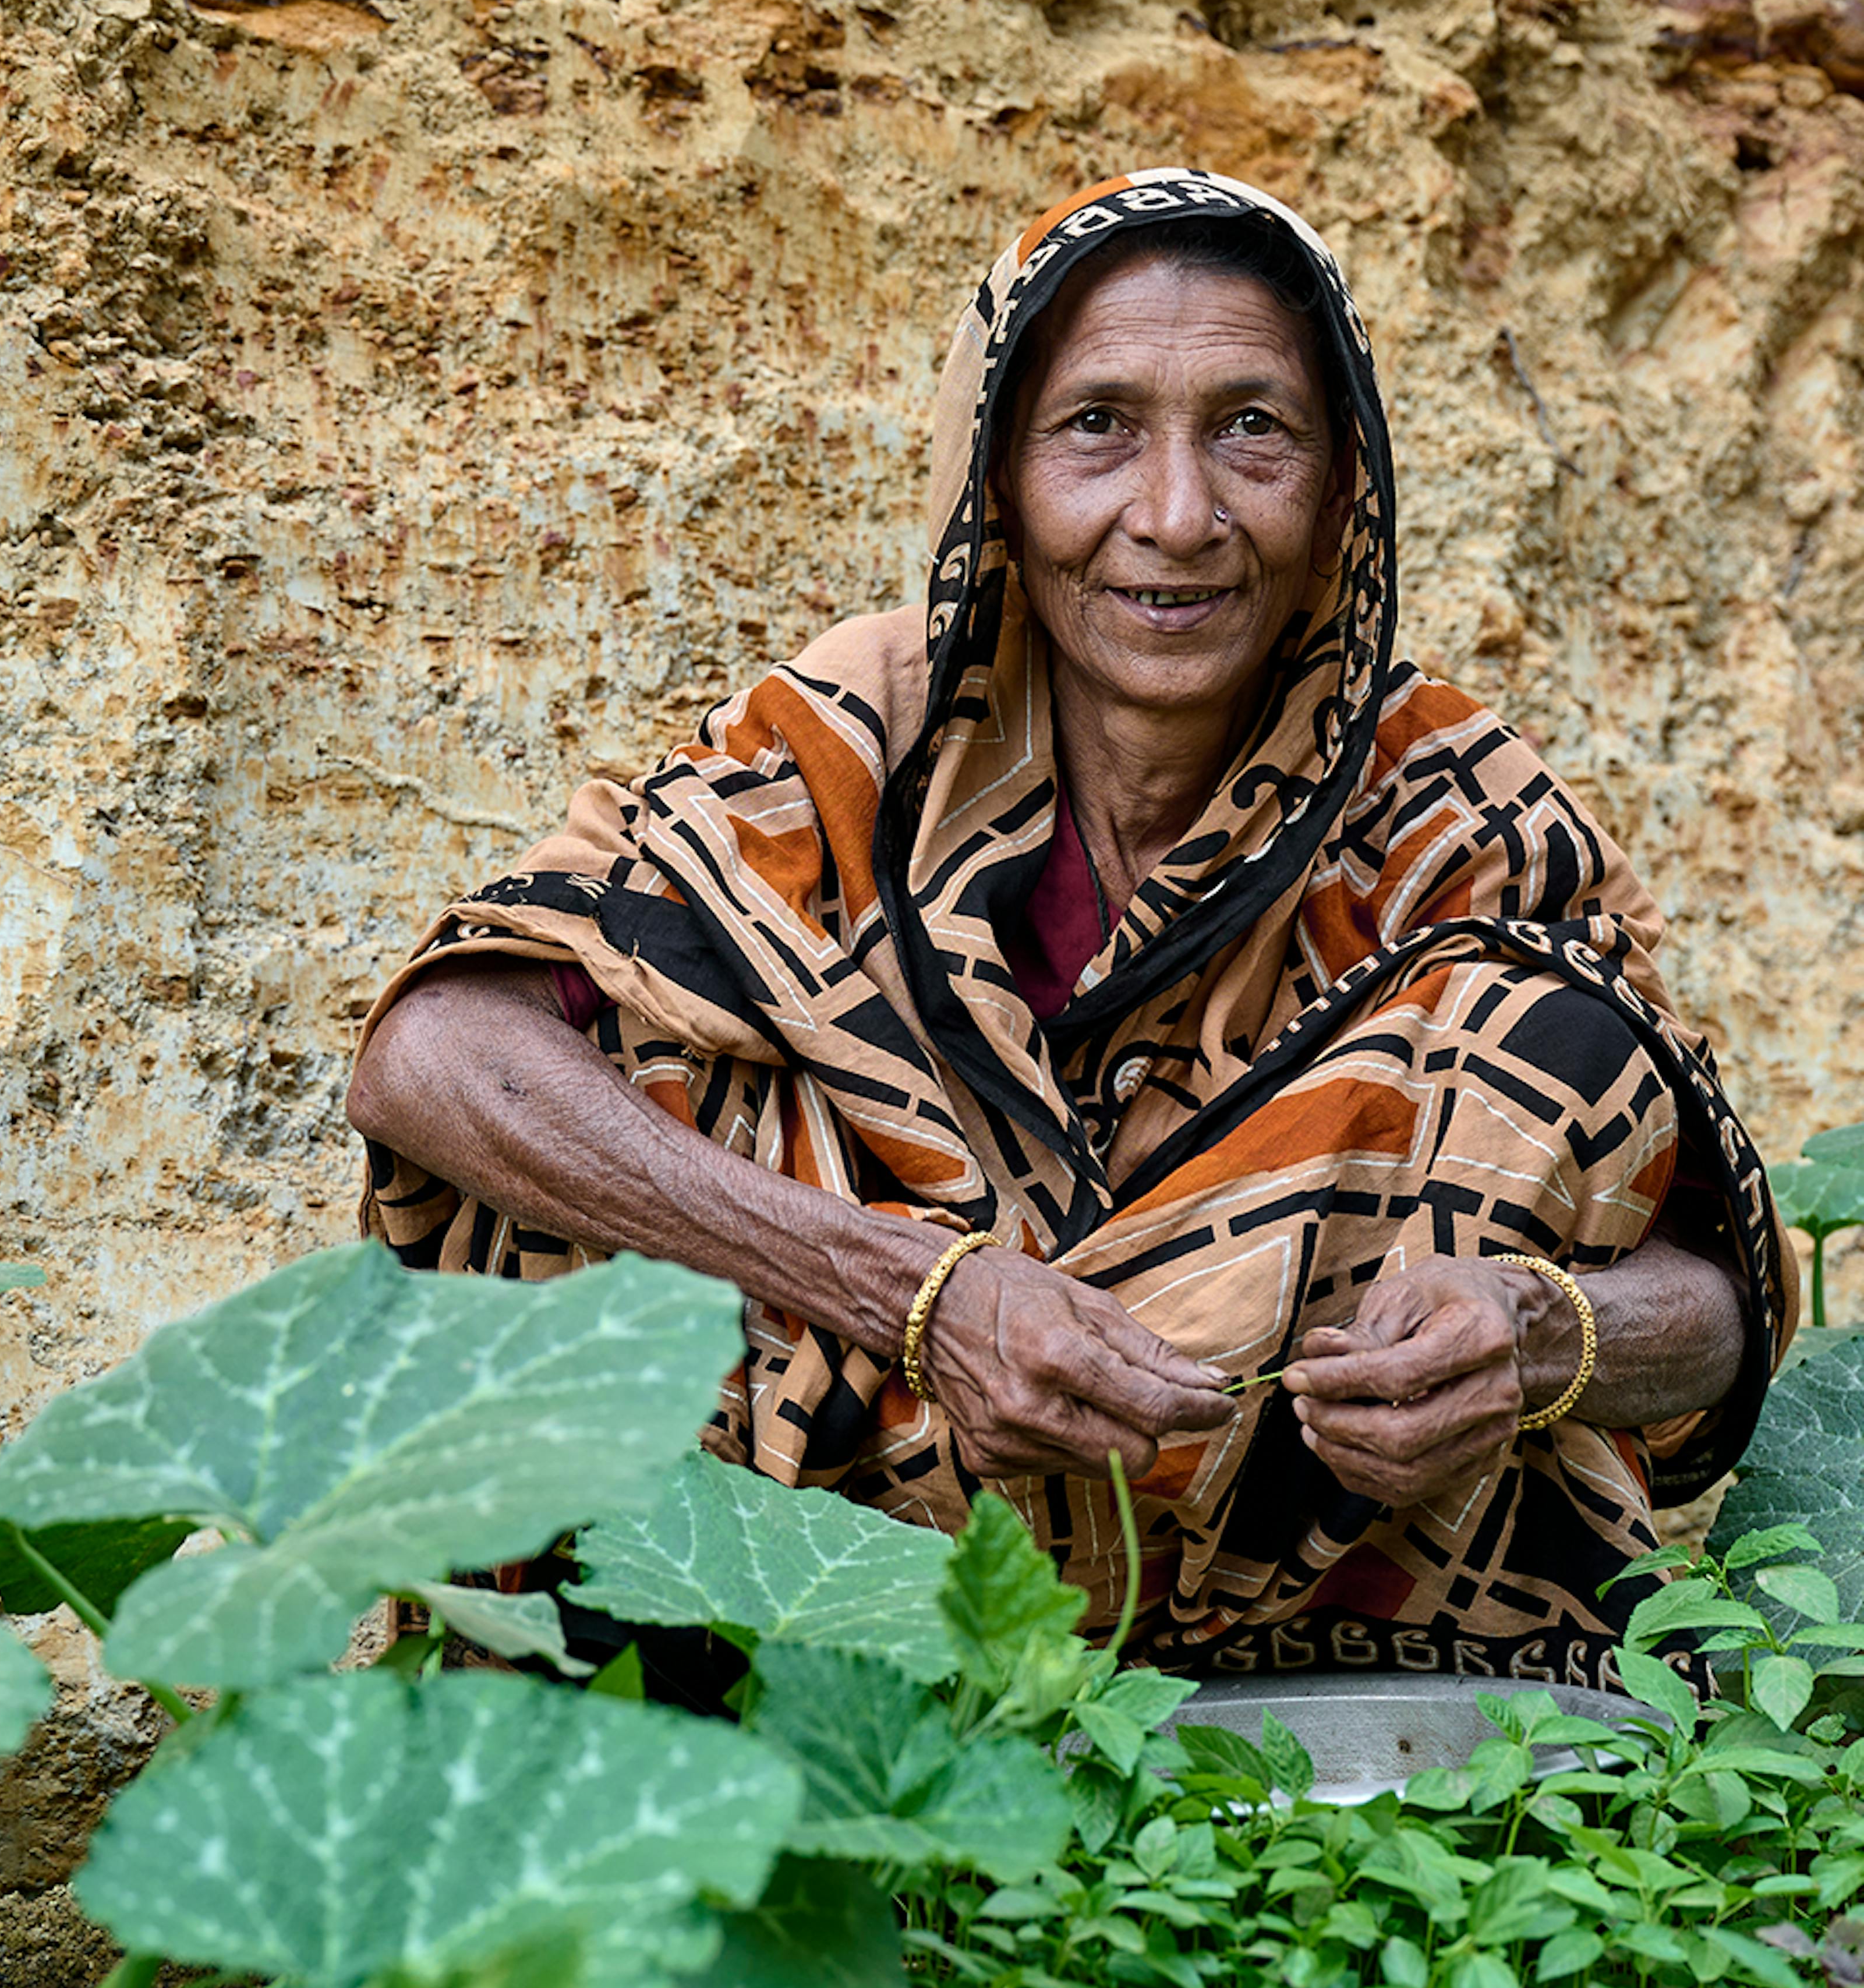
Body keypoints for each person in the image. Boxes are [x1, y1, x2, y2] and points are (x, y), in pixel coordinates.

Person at [348, 167, 1796, 1690]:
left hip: (1299, 1569)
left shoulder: (1448, 807)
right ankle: (626, 1767)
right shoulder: (848, 746)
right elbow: (437, 1054)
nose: (1175, 519)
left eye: (1255, 429)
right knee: (611, 1090)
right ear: (1002, 480)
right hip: (842, 1562)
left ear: (1337, 495)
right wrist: (911, 1291)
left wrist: (1537, 1332)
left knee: (1536, 1042)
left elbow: (1710, 1305)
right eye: (1098, 426)